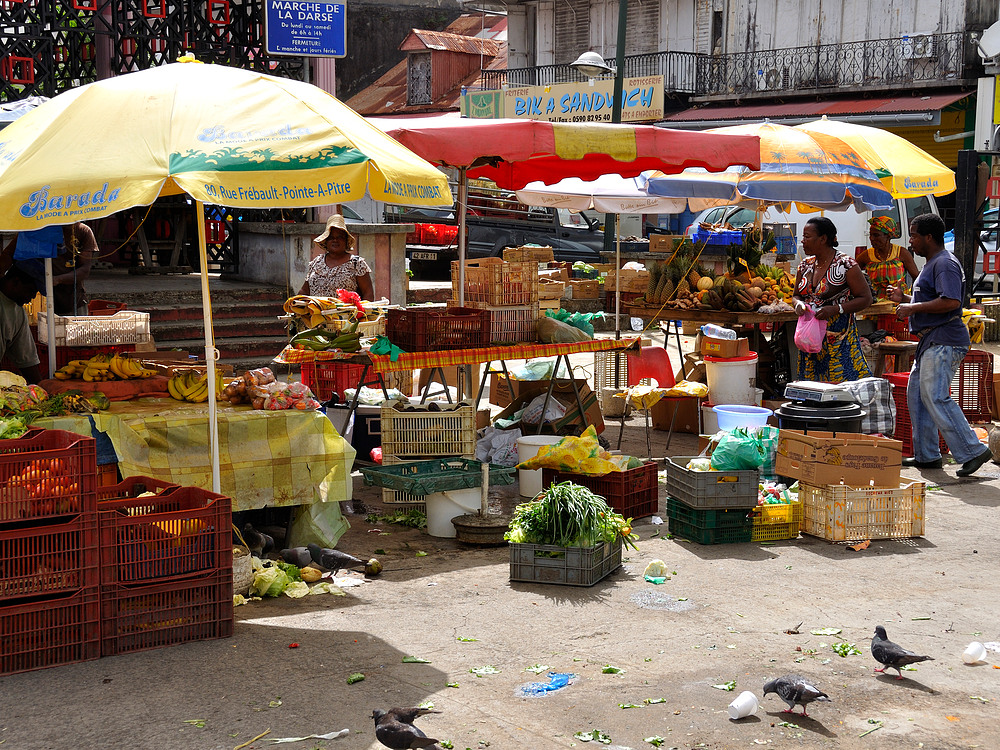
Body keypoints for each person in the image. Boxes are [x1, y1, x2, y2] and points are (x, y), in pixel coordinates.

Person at [888, 213, 993, 477]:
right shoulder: (932, 263)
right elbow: (936, 299)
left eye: (913, 235)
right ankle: (927, 456)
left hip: (944, 340)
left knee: (935, 397)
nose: (910, 241)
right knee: (917, 398)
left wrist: (911, 307)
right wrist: (907, 298)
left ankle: (973, 450)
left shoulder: (944, 263)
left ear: (928, 237)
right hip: (931, 341)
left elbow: (951, 302)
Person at [792, 216, 874, 383]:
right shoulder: (805, 265)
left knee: (839, 387)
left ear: (823, 239)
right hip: (810, 338)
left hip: (837, 338)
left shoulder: (846, 264)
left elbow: (866, 299)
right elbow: (796, 295)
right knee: (811, 387)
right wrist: (798, 304)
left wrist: (837, 309)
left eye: (807, 237)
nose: (803, 241)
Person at [298, 215, 374, 301]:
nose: (335, 240)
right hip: (316, 313)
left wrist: (362, 313)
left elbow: (368, 294)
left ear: (346, 241)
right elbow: (304, 291)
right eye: (331, 237)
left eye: (340, 237)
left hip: (346, 314)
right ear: (326, 241)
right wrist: (293, 305)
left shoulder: (356, 264)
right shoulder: (317, 262)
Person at [856, 216, 919, 300]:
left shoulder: (902, 253)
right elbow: (852, 275)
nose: (872, 238)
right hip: (875, 306)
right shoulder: (866, 255)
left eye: (876, 235)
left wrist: (914, 298)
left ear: (888, 236)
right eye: (870, 235)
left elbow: (917, 278)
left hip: (898, 305)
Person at [0, 264, 44, 384]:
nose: (33, 297)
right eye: (31, 290)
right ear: (15, 282)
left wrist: (41, 389)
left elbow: (27, 359)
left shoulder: (18, 312)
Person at [51, 222, 97, 316]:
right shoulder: (45, 230)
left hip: (74, 300)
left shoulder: (83, 231)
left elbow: (85, 270)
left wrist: (57, 279)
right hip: (47, 300)